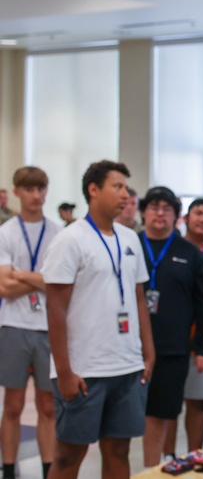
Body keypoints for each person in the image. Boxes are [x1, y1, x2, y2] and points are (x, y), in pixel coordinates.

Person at [41, 160, 155, 479]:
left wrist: (148, 352)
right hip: (84, 369)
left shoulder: (130, 238)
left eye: (126, 189)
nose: (125, 195)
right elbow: (56, 309)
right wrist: (64, 371)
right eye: (117, 187)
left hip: (127, 366)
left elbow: (137, 299)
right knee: (67, 456)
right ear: (93, 190)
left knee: (119, 451)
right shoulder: (69, 240)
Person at [136, 187, 203, 468]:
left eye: (167, 209)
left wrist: (202, 346)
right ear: (143, 212)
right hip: (128, 347)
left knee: (161, 413)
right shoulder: (130, 245)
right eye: (154, 207)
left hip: (172, 348)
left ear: (177, 217)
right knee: (126, 417)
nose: (160, 213)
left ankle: (153, 468)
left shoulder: (190, 254)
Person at [0, 167, 62, 479]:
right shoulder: (6, 232)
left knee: (48, 406)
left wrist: (20, 274)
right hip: (13, 324)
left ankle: (48, 468)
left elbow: (60, 283)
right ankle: (8, 469)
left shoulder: (57, 233)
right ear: (17, 192)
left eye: (40, 189)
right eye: (29, 190)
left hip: (48, 326)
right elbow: (3, 287)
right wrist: (40, 278)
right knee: (12, 405)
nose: (36, 196)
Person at [162, 197, 203, 459]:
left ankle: (195, 458)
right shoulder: (169, 250)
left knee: (197, 402)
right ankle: (168, 459)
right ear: (185, 218)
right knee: (169, 404)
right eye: (198, 213)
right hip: (171, 340)